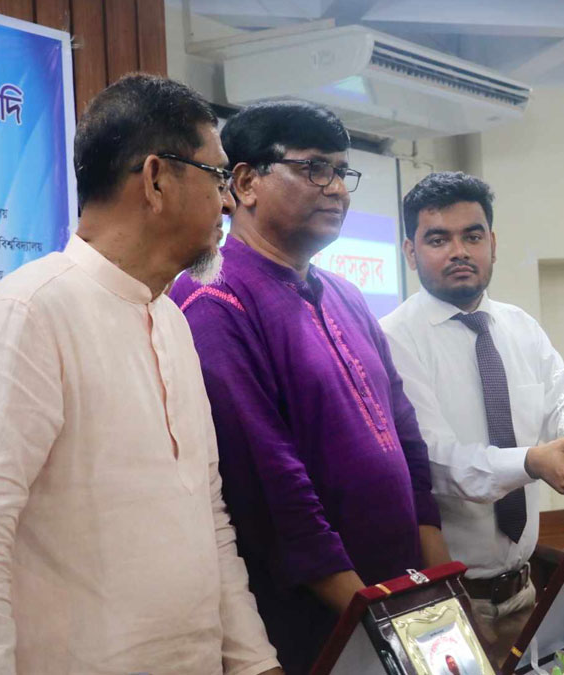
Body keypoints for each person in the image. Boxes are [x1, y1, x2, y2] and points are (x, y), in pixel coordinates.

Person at [0, 74, 280, 673]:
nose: (228, 203)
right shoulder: (27, 314)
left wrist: (255, 661)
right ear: (156, 179)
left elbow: (209, 518)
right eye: (218, 177)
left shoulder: (171, 320)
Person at [169, 99, 447, 674]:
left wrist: (438, 588)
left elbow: (407, 440)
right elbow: (271, 487)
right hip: (319, 626)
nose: (337, 189)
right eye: (315, 168)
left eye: (342, 172)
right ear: (246, 182)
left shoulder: (346, 294)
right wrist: (371, 616)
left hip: (403, 612)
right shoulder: (214, 298)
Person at [380, 172, 564, 661]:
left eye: (472, 236)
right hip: (444, 603)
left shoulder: (519, 326)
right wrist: (532, 462)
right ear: (410, 252)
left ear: (493, 242)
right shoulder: (392, 338)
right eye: (438, 239)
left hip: (525, 591)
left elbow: (560, 416)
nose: (459, 251)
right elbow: (434, 463)